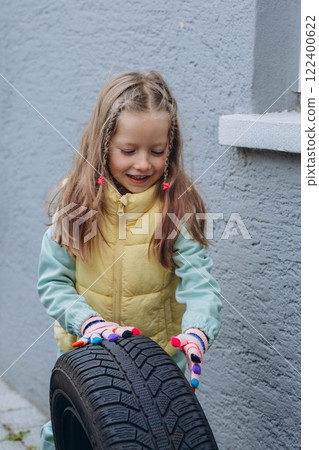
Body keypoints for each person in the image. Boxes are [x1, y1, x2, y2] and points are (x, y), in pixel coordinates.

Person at [37, 70, 222, 449]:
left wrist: (199, 330)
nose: (143, 164)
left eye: (157, 151)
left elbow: (202, 287)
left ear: (171, 146)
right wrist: (86, 321)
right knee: (64, 437)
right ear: (103, 144)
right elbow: (52, 283)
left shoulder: (178, 210)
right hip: (86, 361)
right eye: (128, 150)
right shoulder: (74, 209)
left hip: (158, 370)